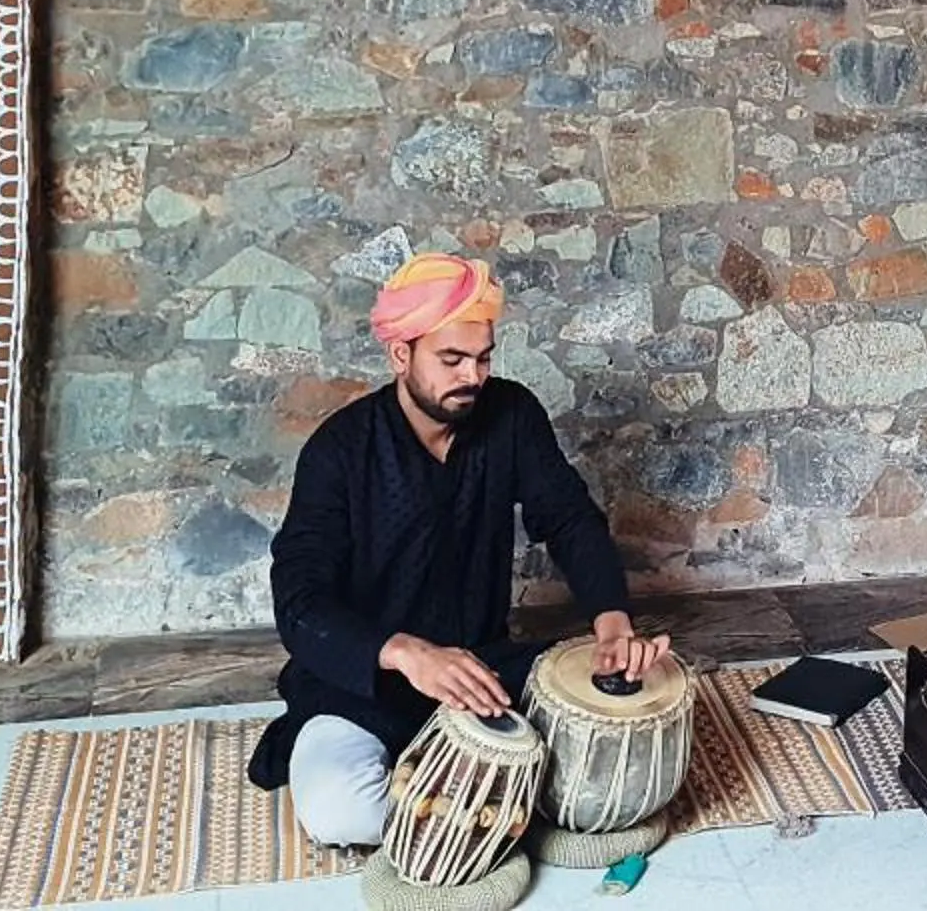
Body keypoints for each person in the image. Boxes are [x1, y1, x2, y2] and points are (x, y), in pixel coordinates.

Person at [247, 252, 673, 847]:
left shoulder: (512, 415)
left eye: (482, 358)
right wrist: (407, 654)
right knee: (339, 811)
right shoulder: (339, 451)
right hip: (364, 685)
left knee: (626, 732)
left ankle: (464, 796)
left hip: (483, 669)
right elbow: (298, 598)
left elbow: (570, 518)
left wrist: (611, 623)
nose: (471, 375)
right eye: (451, 359)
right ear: (402, 354)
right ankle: (480, 798)